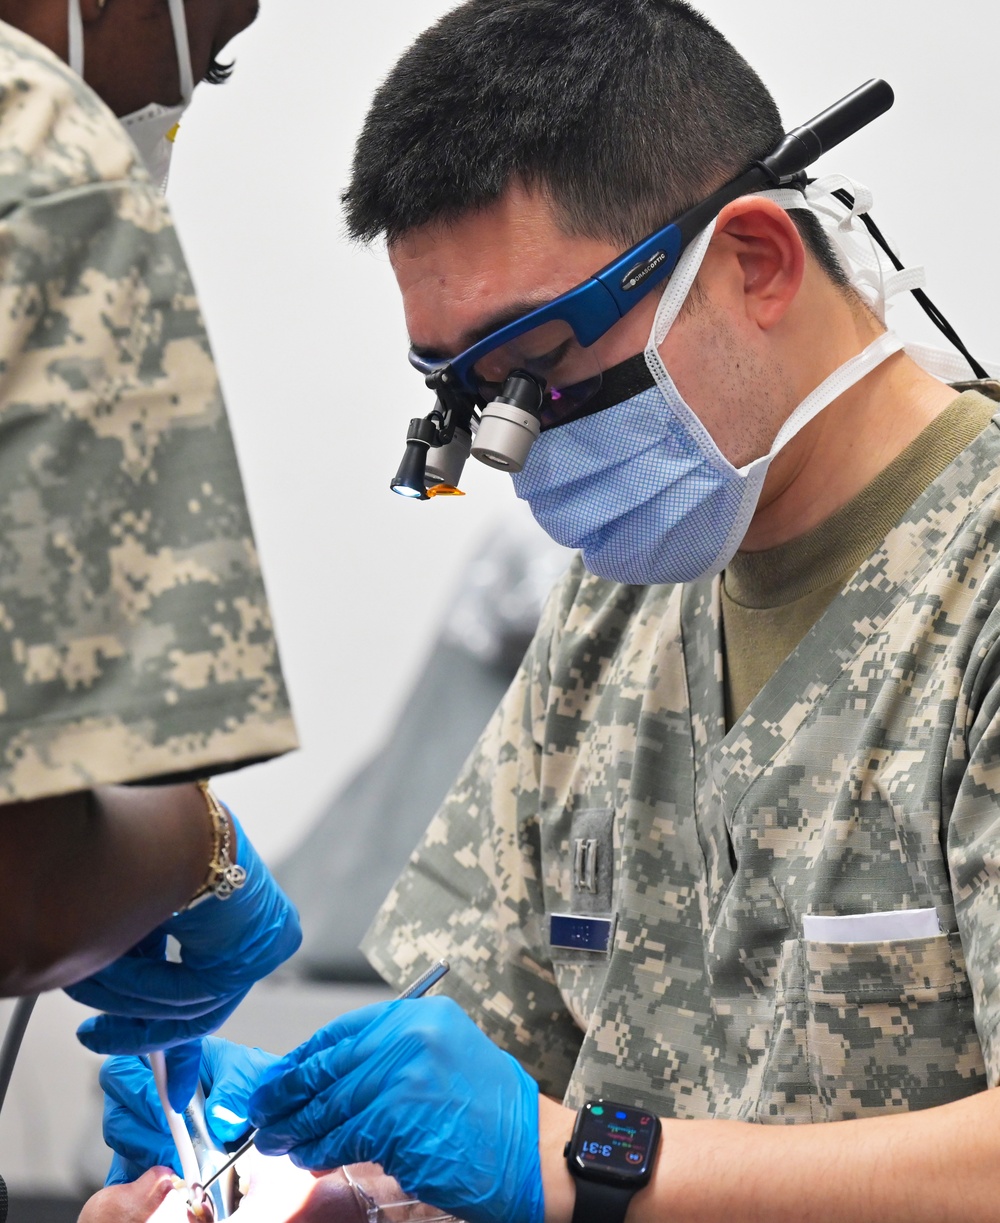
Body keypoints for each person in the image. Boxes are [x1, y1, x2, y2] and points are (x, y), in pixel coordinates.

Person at [96, 0, 1000, 1219]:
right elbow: (493, 1076)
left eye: (536, 368)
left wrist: (589, 1169)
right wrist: (294, 1171)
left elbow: (558, 1152)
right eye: (465, 394)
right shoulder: (614, 613)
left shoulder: (972, 592)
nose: (515, 450)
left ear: (754, 264)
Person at [0, 0, 300, 1110]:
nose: (170, 104)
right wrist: (191, 846)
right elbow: (18, 905)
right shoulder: (36, 151)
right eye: (208, 53)